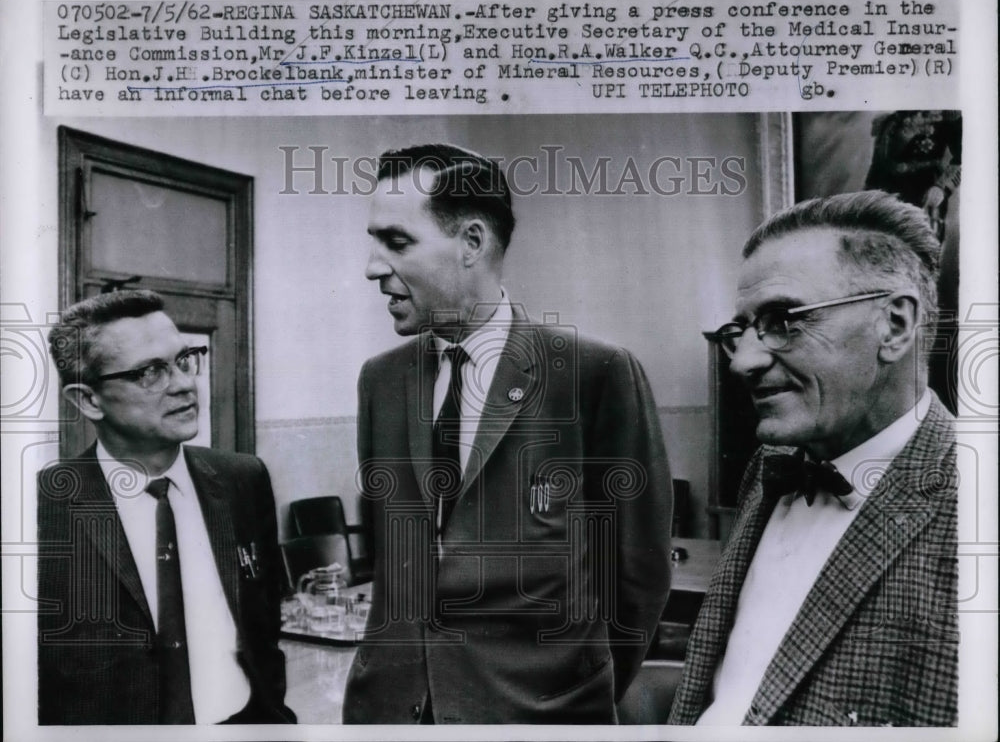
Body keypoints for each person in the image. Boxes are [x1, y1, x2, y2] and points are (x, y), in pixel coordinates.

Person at [342, 143, 673, 723]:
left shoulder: (593, 373)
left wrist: (570, 696)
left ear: (472, 243)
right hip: (393, 714)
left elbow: (638, 573)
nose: (371, 266)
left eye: (395, 242)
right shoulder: (381, 380)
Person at [670, 191, 958, 726]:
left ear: (894, 325)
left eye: (783, 319)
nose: (745, 362)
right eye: (743, 331)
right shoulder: (769, 467)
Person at [37, 290, 295, 725]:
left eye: (185, 359)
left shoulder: (241, 479)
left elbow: (264, 628)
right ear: (88, 400)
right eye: (151, 372)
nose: (184, 383)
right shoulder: (41, 509)